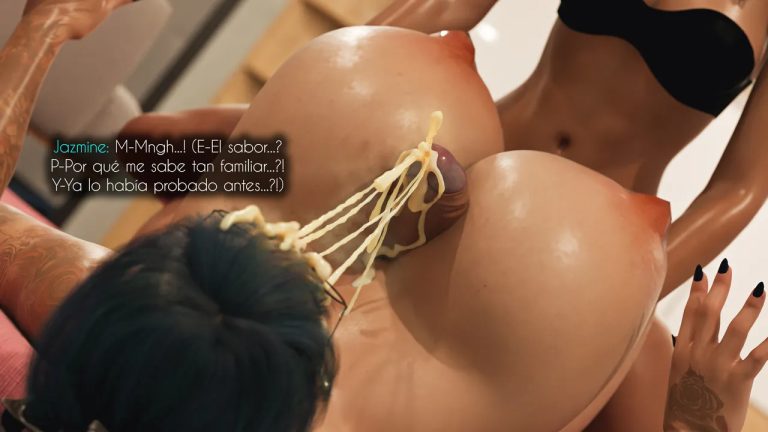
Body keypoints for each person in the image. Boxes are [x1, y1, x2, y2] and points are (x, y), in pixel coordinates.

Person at [0, 1, 764, 431]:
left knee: (634, 393)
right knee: (149, 141)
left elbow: (742, 188)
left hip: (565, 240)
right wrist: (348, 73)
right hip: (449, 147)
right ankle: (74, 170)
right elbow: (444, 5)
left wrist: (622, 288)